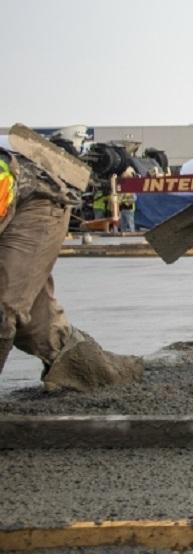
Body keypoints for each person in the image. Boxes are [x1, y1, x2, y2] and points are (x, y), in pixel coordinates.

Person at [0, 127, 143, 391]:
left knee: (5, 308)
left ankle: (109, 376)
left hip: (37, 203)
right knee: (38, 326)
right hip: (16, 201)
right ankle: (99, 375)